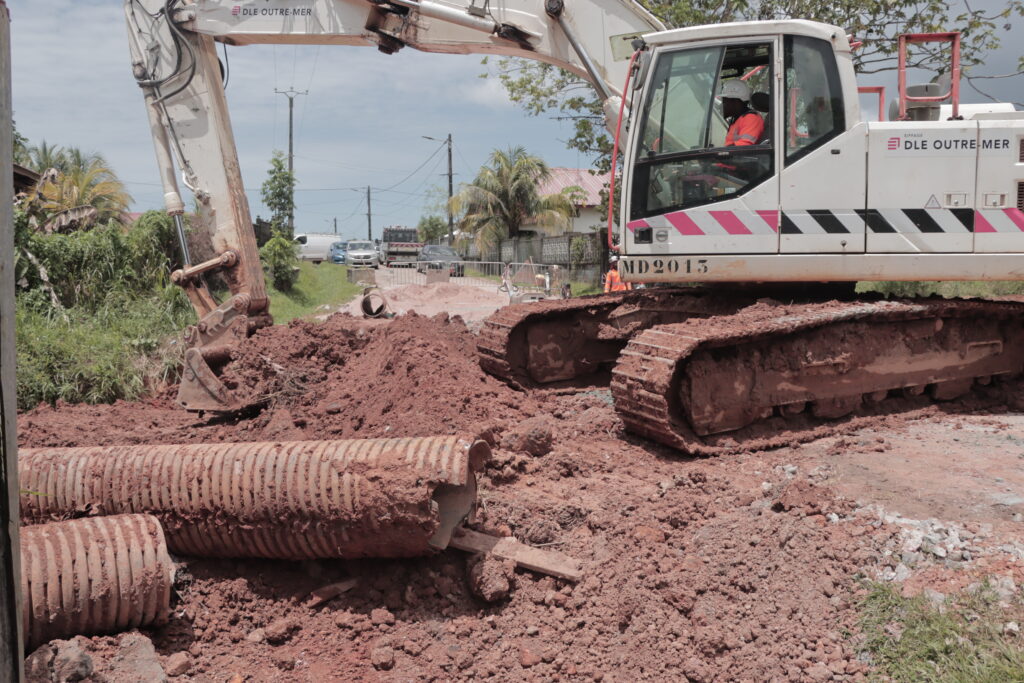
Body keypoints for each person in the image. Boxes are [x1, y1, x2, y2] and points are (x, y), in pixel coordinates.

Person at [720, 80, 764, 147]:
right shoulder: (736, 120)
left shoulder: (751, 118)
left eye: (724, 102)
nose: (721, 105)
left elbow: (744, 147)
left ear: (735, 102)